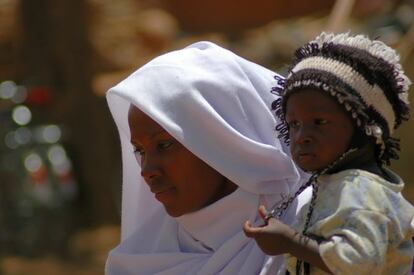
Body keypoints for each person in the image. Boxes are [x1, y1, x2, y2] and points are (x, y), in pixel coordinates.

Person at [105, 41, 310, 274]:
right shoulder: (136, 262)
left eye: (164, 145)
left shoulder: (314, 230)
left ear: (223, 139)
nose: (146, 170)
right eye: (140, 151)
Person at [243, 32, 414, 274]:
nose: (302, 136)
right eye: (294, 124)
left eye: (320, 122)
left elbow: (358, 262)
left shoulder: (363, 191)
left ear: (364, 125)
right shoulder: (336, 183)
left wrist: (290, 242)